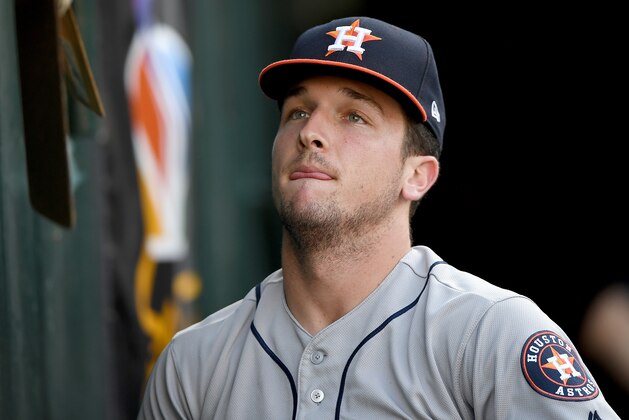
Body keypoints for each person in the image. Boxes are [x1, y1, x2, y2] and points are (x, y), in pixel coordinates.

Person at [137, 16, 621, 419]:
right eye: (298, 111)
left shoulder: (491, 335)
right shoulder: (192, 364)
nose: (311, 134)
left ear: (418, 177)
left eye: (355, 116)